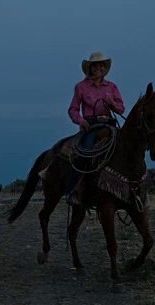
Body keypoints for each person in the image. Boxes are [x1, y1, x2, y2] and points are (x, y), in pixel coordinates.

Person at [65, 51, 125, 206]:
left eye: (101, 65)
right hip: (91, 126)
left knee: (127, 149)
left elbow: (121, 108)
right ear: (89, 68)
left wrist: (112, 104)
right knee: (83, 153)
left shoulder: (112, 87)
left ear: (105, 68)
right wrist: (80, 120)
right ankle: (72, 191)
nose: (98, 68)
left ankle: (128, 189)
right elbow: (72, 109)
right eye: (95, 65)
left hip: (109, 124)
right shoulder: (81, 87)